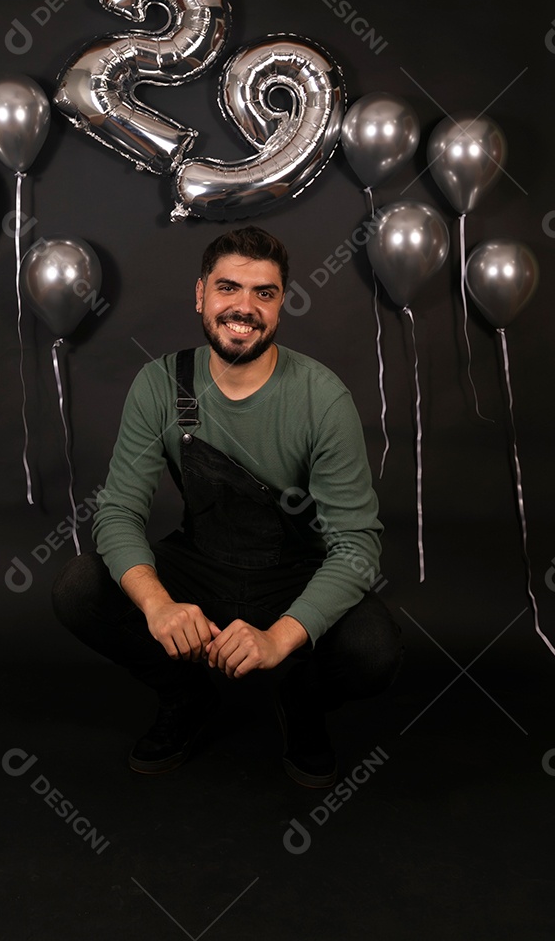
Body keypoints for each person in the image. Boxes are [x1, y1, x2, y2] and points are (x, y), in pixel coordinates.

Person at [52, 225, 402, 788]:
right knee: (78, 586)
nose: (244, 307)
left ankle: (300, 699)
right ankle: (186, 696)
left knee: (374, 650)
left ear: (282, 303)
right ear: (200, 295)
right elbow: (117, 512)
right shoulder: (161, 383)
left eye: (264, 293)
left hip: (293, 576)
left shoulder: (320, 396)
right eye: (228, 288)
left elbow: (357, 546)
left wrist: (280, 636)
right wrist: (161, 606)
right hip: (202, 567)